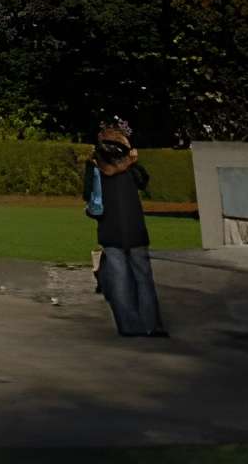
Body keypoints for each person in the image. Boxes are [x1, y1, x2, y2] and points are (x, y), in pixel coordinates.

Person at [86, 116, 167, 337]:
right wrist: (130, 160)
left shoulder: (97, 162)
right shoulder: (120, 162)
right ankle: (149, 325)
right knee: (139, 278)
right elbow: (133, 177)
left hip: (115, 227)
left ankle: (133, 325)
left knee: (125, 279)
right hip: (129, 227)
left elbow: (90, 192)